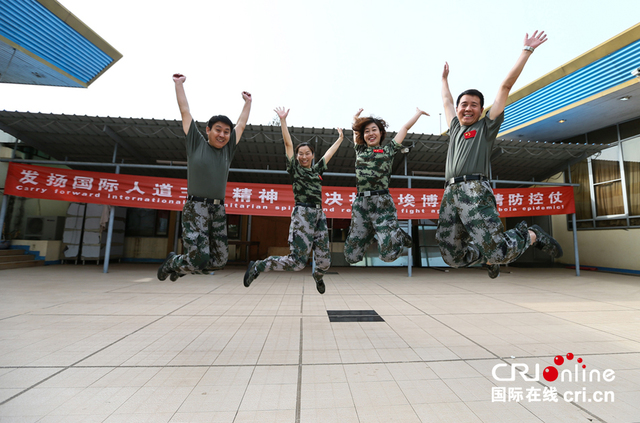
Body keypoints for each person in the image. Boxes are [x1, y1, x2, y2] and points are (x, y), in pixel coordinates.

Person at [436, 31, 562, 279]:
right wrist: (444, 79)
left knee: (498, 251)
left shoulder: (486, 126)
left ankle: (532, 234)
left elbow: (505, 86)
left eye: (474, 105)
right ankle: (488, 257)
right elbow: (446, 100)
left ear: (481, 110)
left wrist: (527, 50)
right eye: (464, 104)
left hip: (475, 190)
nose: (467, 108)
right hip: (449, 194)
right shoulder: (454, 128)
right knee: (452, 257)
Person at [157, 73, 252, 281]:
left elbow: (242, 125)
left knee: (218, 261)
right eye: (218, 130)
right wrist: (179, 84)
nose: (223, 135)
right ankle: (173, 263)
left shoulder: (228, 151)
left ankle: (181, 268)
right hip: (196, 207)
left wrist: (248, 103)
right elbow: (185, 111)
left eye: (227, 131)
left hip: (218, 209)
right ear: (208, 130)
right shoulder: (196, 143)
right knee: (199, 257)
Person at [243, 107, 344, 294]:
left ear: (312, 156)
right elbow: (288, 145)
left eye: (307, 153)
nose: (304, 156)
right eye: (301, 154)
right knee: (297, 263)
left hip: (319, 215)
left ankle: (318, 276)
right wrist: (283, 121)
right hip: (303, 214)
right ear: (297, 157)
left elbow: (328, 154)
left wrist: (340, 139)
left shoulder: (316, 171)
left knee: (325, 262)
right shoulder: (295, 170)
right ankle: (258, 266)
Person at [344, 107, 428, 264]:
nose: (370, 134)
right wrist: (355, 118)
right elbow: (355, 133)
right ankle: (377, 231)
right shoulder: (360, 150)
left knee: (388, 256)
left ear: (381, 133)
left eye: (374, 130)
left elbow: (404, 128)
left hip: (382, 202)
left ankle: (395, 234)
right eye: (367, 131)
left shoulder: (388, 150)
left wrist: (417, 114)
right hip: (361, 204)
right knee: (351, 257)